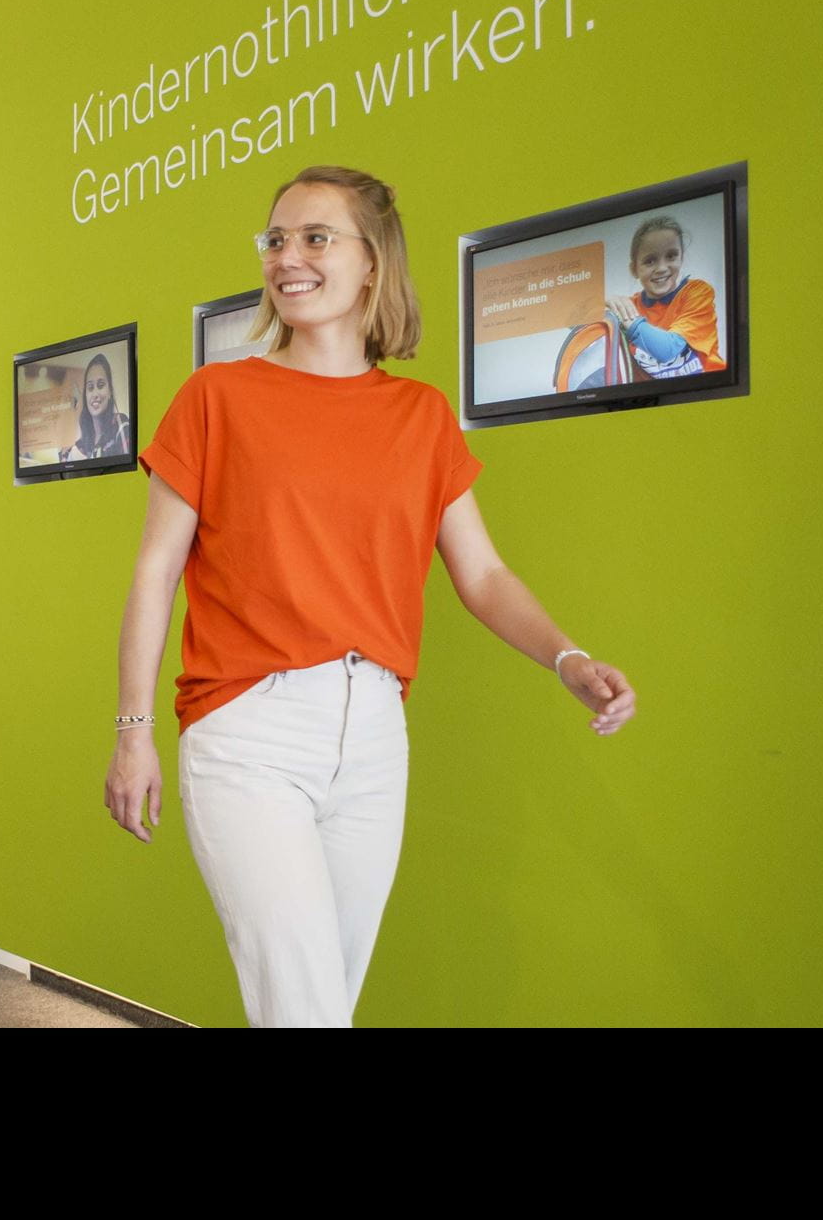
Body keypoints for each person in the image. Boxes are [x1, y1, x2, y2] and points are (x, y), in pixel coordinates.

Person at [104, 165, 638, 1027]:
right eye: (276, 239)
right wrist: (132, 733)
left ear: (372, 264)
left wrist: (566, 656)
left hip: (375, 732)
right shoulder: (218, 397)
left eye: (317, 237)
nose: (289, 257)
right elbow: (154, 572)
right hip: (248, 728)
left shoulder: (421, 416)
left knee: (323, 1005)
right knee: (306, 1009)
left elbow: (484, 575)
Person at [605, 214, 724, 378]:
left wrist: (627, 322)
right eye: (650, 261)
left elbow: (669, 349)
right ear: (634, 269)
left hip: (712, 394)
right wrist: (604, 303)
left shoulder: (697, 292)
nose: (661, 268)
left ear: (681, 258)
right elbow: (576, 323)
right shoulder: (630, 306)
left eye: (671, 256)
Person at [60, 352, 134, 461]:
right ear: (85, 395)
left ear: (110, 392)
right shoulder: (81, 444)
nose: (95, 394)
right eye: (90, 387)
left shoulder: (120, 424)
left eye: (100, 385)